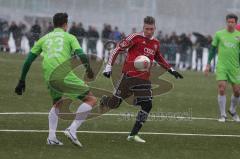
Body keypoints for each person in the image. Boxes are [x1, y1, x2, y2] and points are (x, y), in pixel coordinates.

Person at [15, 13, 96, 147]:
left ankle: (51, 137)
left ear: (54, 24)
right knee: (91, 99)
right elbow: (81, 54)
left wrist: (21, 80)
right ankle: (72, 129)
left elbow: (28, 60)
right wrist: (88, 70)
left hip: (49, 75)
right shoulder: (70, 37)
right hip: (63, 74)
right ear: (65, 24)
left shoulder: (44, 38)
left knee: (57, 103)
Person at [101, 16, 183, 143]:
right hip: (128, 77)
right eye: (146, 29)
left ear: (155, 28)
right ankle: (105, 101)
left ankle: (133, 135)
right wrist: (108, 67)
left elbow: (159, 57)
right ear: (143, 27)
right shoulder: (135, 37)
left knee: (147, 104)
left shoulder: (156, 43)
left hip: (143, 78)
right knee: (114, 104)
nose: (149, 31)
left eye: (151, 29)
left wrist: (171, 70)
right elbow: (117, 48)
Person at [205, 13, 240, 122]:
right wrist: (208, 64)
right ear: (226, 22)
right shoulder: (219, 34)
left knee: (237, 91)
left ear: (236, 23)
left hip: (235, 67)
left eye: (232, 22)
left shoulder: (239, 35)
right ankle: (223, 115)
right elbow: (212, 49)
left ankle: (233, 110)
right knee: (221, 88)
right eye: (228, 22)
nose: (230, 24)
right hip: (222, 66)